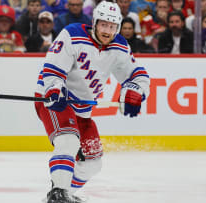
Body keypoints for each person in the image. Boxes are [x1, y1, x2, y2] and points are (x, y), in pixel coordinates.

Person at [34, 1, 150, 202]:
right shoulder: (72, 34)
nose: (107, 30)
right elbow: (53, 68)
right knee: (68, 140)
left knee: (93, 161)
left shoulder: (120, 47)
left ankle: (64, 192)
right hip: (55, 100)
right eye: (104, 24)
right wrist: (54, 89)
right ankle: (58, 192)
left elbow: (138, 75)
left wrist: (135, 90)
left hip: (82, 110)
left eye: (113, 26)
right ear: (95, 22)